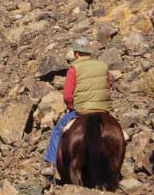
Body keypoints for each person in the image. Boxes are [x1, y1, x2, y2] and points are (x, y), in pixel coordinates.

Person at [41, 37, 112, 176]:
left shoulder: (74, 68)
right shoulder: (103, 65)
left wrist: (71, 106)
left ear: (77, 53)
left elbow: (67, 95)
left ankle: (52, 165)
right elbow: (107, 86)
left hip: (81, 110)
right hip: (103, 109)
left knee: (57, 130)